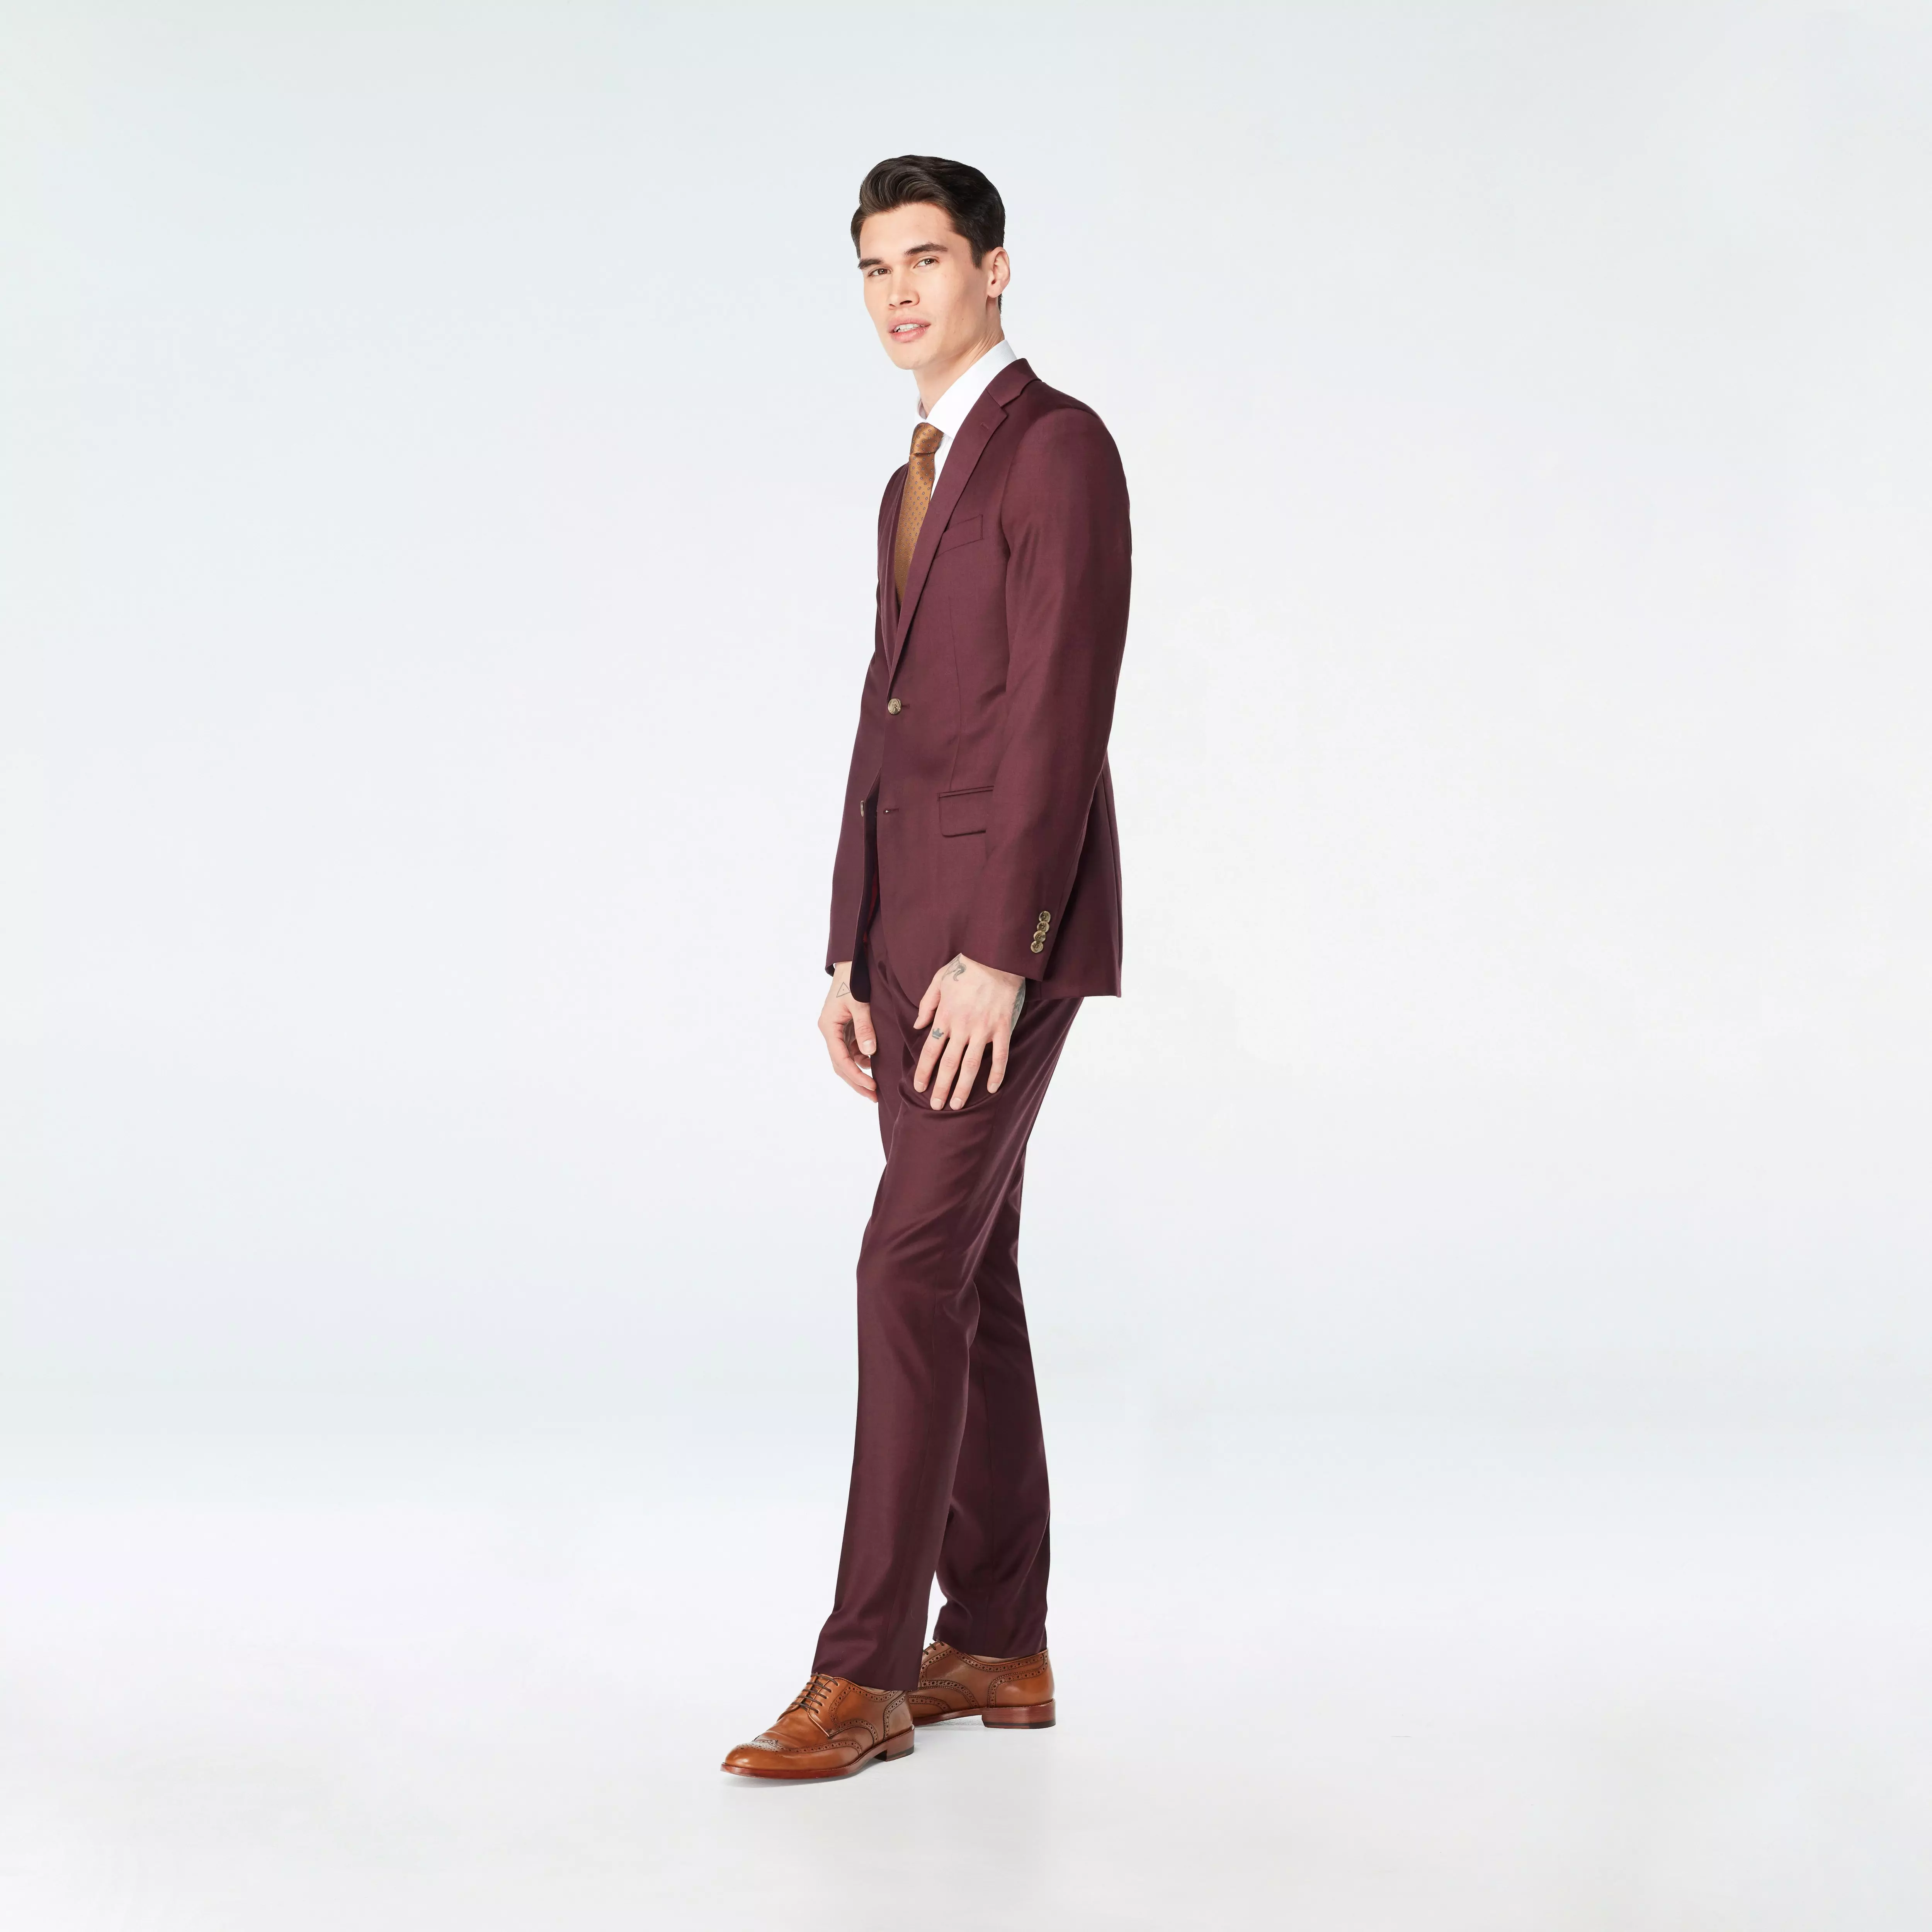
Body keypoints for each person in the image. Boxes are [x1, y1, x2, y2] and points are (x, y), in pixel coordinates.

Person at [721, 155, 1131, 1782]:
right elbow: (885, 709)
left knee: (903, 1268)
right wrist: (848, 937)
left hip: (992, 945)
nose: (899, 293)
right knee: (966, 1275)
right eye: (875, 268)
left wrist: (1000, 956)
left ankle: (866, 1671)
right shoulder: (908, 476)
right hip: (901, 939)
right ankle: (1001, 1640)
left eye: (928, 260)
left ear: (995, 269)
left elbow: (1058, 713)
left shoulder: (1056, 448)